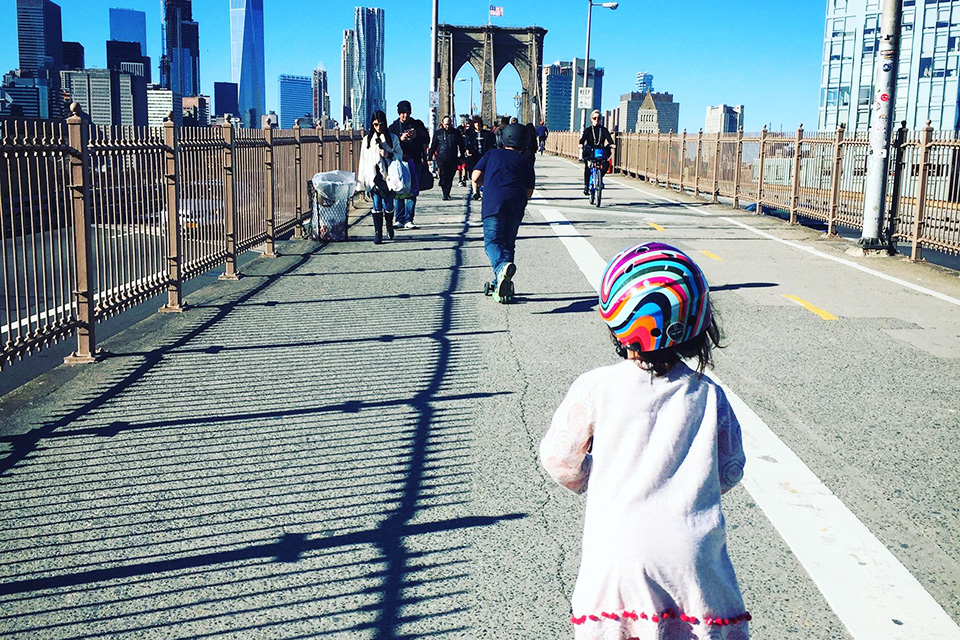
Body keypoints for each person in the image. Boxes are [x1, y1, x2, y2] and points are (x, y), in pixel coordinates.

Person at [540, 242, 749, 640]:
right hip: (692, 556)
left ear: (614, 320)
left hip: (618, 553)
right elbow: (730, 470)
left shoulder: (596, 386)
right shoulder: (709, 394)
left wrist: (594, 476)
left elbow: (560, 461)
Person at [470, 123, 535, 304]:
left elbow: (475, 176)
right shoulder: (526, 161)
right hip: (516, 205)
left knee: (492, 242)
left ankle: (500, 270)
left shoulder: (492, 154)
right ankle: (501, 282)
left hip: (494, 204)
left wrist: (487, 184)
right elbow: (529, 191)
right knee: (508, 244)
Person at [356, 110, 402, 245]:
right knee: (376, 205)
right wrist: (362, 181)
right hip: (374, 177)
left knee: (388, 205)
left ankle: (389, 225)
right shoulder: (367, 140)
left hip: (388, 177)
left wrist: (388, 154)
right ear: (372, 124)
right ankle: (378, 233)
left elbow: (399, 155)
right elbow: (363, 160)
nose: (378, 127)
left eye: (381, 124)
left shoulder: (392, 138)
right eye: (375, 124)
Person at [389, 100, 429, 229]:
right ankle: (399, 219)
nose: (405, 115)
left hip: (414, 160)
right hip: (399, 162)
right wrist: (400, 139)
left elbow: (427, 139)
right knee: (399, 189)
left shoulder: (417, 124)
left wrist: (416, 136)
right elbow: (389, 144)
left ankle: (408, 219)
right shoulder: (394, 127)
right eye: (402, 113)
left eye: (407, 112)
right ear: (398, 113)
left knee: (412, 190)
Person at [428, 115, 465, 200]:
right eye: (446, 124)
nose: (447, 126)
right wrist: (429, 156)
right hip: (441, 158)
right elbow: (433, 146)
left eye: (449, 124)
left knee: (450, 176)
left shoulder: (456, 133)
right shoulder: (438, 133)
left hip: (453, 157)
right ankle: (445, 193)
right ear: (442, 124)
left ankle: (447, 192)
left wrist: (462, 156)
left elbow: (461, 145)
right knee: (443, 175)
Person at [579, 109, 615, 196]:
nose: (596, 120)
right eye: (594, 118)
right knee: (588, 167)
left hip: (600, 151)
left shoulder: (603, 130)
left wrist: (612, 144)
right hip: (590, 151)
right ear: (591, 119)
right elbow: (582, 139)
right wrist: (581, 144)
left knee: (606, 164)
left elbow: (609, 138)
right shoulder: (588, 130)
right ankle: (586, 186)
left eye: (598, 118)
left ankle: (599, 178)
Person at [464, 116, 496, 201]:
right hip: (473, 156)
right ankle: (475, 192)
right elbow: (467, 143)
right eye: (475, 123)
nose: (477, 125)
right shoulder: (469, 134)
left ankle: (482, 190)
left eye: (478, 123)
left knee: (484, 174)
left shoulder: (488, 134)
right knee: (473, 173)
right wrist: (467, 150)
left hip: (483, 156)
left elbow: (491, 145)